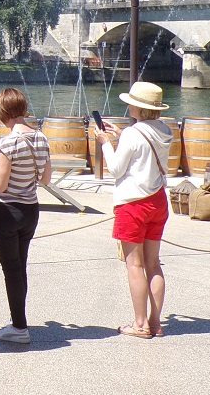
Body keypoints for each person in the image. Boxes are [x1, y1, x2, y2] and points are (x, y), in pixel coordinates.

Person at [93, 81, 172, 339]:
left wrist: (106, 142)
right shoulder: (164, 129)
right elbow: (143, 148)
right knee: (153, 264)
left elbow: (116, 168)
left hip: (134, 203)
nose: (128, 105)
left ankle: (140, 324)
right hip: (157, 200)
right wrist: (120, 133)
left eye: (131, 103)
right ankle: (156, 322)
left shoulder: (132, 134)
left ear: (138, 107)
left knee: (134, 265)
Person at [0, 88, 51, 344]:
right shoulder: (41, 138)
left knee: (11, 269)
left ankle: (19, 327)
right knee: (21, 267)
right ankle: (19, 321)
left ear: (3, 112)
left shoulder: (7, 142)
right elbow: (45, 178)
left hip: (7, 211)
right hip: (31, 209)